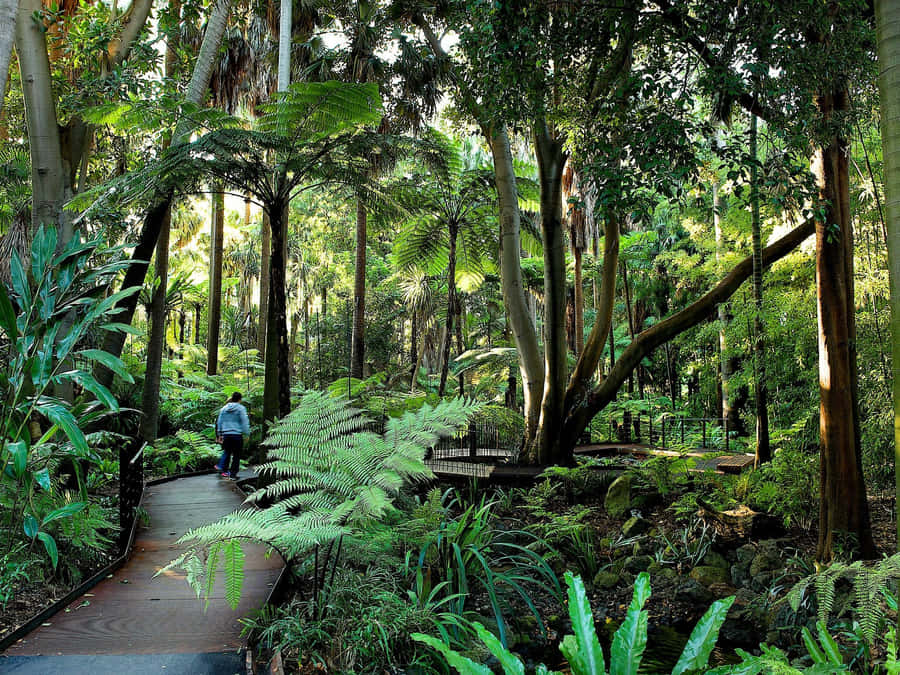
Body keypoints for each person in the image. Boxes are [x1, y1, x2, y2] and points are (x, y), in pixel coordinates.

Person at [215, 392, 250, 480]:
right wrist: (247, 433)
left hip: (226, 434)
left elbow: (219, 421)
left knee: (227, 452)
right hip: (237, 435)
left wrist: (219, 434)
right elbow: (244, 422)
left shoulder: (224, 408)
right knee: (237, 455)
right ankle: (233, 474)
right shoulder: (241, 409)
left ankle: (224, 470)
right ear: (239, 399)